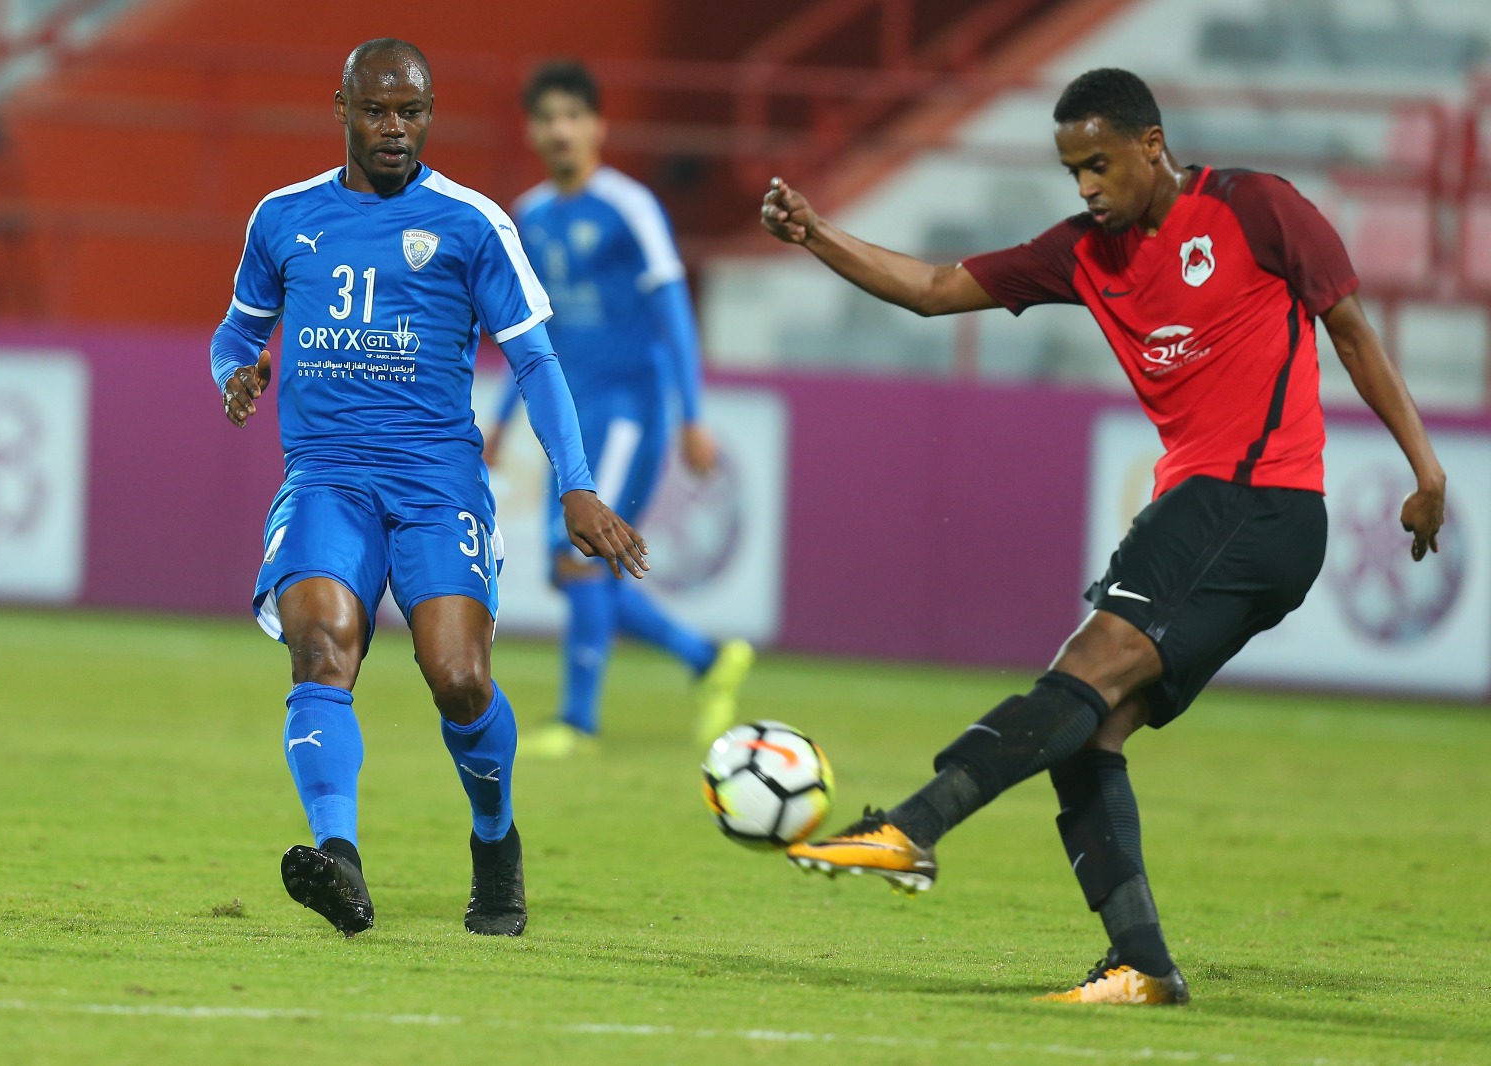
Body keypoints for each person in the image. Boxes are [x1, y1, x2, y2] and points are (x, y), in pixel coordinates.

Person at [760, 68, 1447, 1004]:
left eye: (1099, 164)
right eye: (1072, 171)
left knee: (1083, 671)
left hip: (1254, 499)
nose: (1086, 186)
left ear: (1151, 146)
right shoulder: (1082, 254)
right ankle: (1142, 963)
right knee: (1088, 728)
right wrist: (816, 235)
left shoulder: (1257, 208)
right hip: (1217, 513)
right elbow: (931, 288)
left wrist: (1426, 470)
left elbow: (1354, 334)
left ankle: (912, 826)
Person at [209, 38, 647, 939]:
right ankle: (339, 856)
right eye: (376, 110)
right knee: (321, 646)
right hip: (326, 477)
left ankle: (495, 841)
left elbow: (536, 360)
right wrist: (235, 374)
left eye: (410, 112)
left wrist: (576, 487)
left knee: (458, 677)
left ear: (429, 115)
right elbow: (235, 333)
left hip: (435, 483)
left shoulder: (472, 223)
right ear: (342, 109)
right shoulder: (283, 218)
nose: (394, 129)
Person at [481, 60, 753, 759]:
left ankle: (578, 723)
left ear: (598, 127)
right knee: (572, 565)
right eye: (547, 118)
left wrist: (692, 414)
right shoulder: (530, 216)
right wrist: (502, 418)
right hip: (573, 416)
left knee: (579, 555)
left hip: (629, 409)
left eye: (573, 116)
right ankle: (705, 658)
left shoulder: (630, 207)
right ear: (532, 130)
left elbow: (674, 311)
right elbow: (528, 333)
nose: (560, 130)